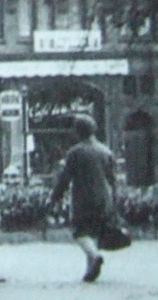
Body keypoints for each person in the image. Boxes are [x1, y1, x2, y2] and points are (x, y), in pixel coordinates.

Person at [49, 113, 118, 283]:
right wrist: (114, 202)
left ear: (78, 132)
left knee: (80, 232)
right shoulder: (105, 151)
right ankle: (90, 272)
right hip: (104, 199)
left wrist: (55, 198)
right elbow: (113, 180)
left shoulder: (75, 153)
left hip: (83, 198)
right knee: (92, 233)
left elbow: (65, 179)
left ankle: (94, 257)